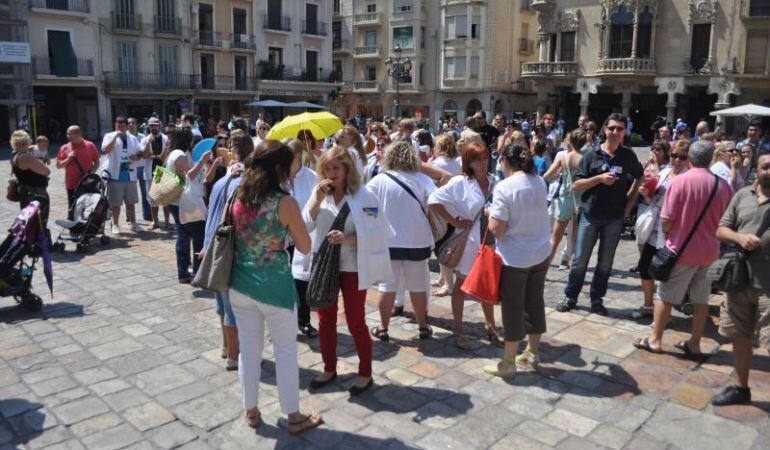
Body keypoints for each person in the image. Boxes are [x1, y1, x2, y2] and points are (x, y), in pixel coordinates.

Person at [228, 140, 322, 433]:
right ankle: (293, 415)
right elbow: (305, 247)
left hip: (240, 283)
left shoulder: (239, 195)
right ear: (279, 168)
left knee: (249, 349)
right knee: (285, 350)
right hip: (274, 287)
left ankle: (251, 410)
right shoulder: (285, 203)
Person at [304, 146, 390, 395]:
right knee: (325, 319)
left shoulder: (364, 196)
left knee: (355, 321)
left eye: (336, 168)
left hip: (353, 267)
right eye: (327, 168)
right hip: (325, 266)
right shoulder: (319, 193)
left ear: (347, 169)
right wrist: (316, 199)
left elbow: (379, 231)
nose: (331, 173)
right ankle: (329, 368)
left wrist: (348, 238)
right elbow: (305, 224)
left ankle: (365, 373)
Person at [634, 141, 732, 356]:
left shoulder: (680, 182)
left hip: (682, 250)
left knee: (665, 296)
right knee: (701, 299)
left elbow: (666, 219)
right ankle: (694, 342)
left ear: (691, 158)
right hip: (710, 252)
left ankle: (655, 340)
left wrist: (669, 235)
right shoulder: (723, 186)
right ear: (710, 158)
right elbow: (727, 219)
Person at [557, 113, 644, 316]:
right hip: (590, 214)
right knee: (580, 260)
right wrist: (599, 179)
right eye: (612, 128)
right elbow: (576, 184)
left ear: (625, 132)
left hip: (614, 216)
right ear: (604, 130)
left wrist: (630, 201)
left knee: (605, 263)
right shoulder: (591, 154)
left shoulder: (628, 156)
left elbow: (640, 177)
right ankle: (571, 296)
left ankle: (597, 299)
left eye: (619, 129)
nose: (615, 132)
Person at [483, 144, 552, 377]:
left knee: (513, 308)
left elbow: (497, 229)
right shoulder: (539, 181)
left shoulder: (505, 186)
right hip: (540, 252)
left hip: (516, 258)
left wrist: (489, 214)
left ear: (504, 160)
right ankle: (532, 351)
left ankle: (508, 363)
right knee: (535, 301)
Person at [428, 141, 501, 348]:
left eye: (485, 158)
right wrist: (456, 222)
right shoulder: (460, 182)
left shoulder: (495, 181)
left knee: (487, 285)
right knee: (461, 285)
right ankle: (459, 331)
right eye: (478, 160)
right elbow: (433, 200)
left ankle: (491, 326)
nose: (483, 163)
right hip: (470, 241)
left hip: (491, 241)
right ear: (469, 162)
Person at [712, 152, 770, 406]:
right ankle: (740, 387)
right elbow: (721, 229)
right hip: (740, 281)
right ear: (756, 170)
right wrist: (739, 238)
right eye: (766, 167)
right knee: (739, 336)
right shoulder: (742, 195)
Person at [368, 141, 435, 341]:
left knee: (387, 286)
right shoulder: (423, 179)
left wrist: (378, 223)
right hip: (418, 240)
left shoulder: (379, 180)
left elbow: (367, 208)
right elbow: (435, 204)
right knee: (418, 285)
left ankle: (383, 327)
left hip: (388, 241)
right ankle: (423, 327)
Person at [203, 134, 254, 371]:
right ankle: (234, 354)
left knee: (222, 303)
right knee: (233, 306)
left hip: (214, 244)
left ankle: (226, 347)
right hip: (229, 248)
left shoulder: (225, 179)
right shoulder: (241, 180)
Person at [632, 140, 688, 319]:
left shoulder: (687, 179)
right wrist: (646, 194)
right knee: (645, 267)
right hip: (654, 229)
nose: (677, 160)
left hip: (672, 232)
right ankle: (648, 305)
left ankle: (664, 314)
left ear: (688, 159)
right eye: (674, 155)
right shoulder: (664, 173)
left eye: (682, 157)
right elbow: (653, 201)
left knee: (665, 272)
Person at [282, 139, 318, 337]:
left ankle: (303, 320)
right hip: (281, 238)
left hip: (303, 237)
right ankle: (282, 321)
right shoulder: (277, 178)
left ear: (296, 158)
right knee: (282, 280)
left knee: (301, 281)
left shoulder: (312, 178)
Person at [165, 128, 205, 283]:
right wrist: (202, 161)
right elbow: (189, 177)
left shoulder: (173, 153)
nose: (193, 142)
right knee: (198, 234)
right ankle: (197, 272)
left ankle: (183, 273)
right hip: (183, 202)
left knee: (183, 235)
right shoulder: (179, 155)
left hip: (176, 201)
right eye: (191, 139)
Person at [543, 129, 587, 265]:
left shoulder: (564, 157)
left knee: (555, 238)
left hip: (565, 199)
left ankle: (545, 267)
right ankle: (574, 267)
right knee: (576, 239)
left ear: (570, 141)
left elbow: (546, 176)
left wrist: (557, 174)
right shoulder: (586, 158)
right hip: (580, 200)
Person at [101, 116, 145, 235]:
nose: (120, 128)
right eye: (118, 126)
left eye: (122, 126)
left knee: (131, 203)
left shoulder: (132, 138)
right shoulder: (109, 136)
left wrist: (136, 157)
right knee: (116, 204)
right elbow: (104, 150)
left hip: (130, 175)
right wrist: (116, 136)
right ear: (115, 126)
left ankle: (133, 223)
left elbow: (140, 152)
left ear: (126, 127)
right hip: (115, 175)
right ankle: (115, 225)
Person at [55, 126, 100, 218]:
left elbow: (97, 162)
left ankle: (86, 225)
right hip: (72, 184)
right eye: (67, 134)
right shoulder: (65, 148)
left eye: (70, 134)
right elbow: (58, 165)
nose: (68, 136)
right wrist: (68, 159)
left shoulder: (90, 145)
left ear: (79, 134)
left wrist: (90, 173)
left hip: (87, 183)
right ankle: (74, 224)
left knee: (87, 208)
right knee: (73, 208)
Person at [10, 130, 50, 221]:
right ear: (26, 141)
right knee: (39, 222)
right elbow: (47, 171)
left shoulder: (15, 154)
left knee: (28, 220)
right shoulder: (26, 157)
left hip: (24, 191)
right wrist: (39, 160)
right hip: (36, 193)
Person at [127, 117, 152, 223]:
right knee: (128, 192)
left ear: (137, 124)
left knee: (145, 192)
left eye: (133, 123)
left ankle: (147, 215)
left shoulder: (143, 137)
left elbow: (145, 151)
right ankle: (129, 216)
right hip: (130, 168)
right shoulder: (125, 137)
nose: (131, 125)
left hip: (142, 167)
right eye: (129, 123)